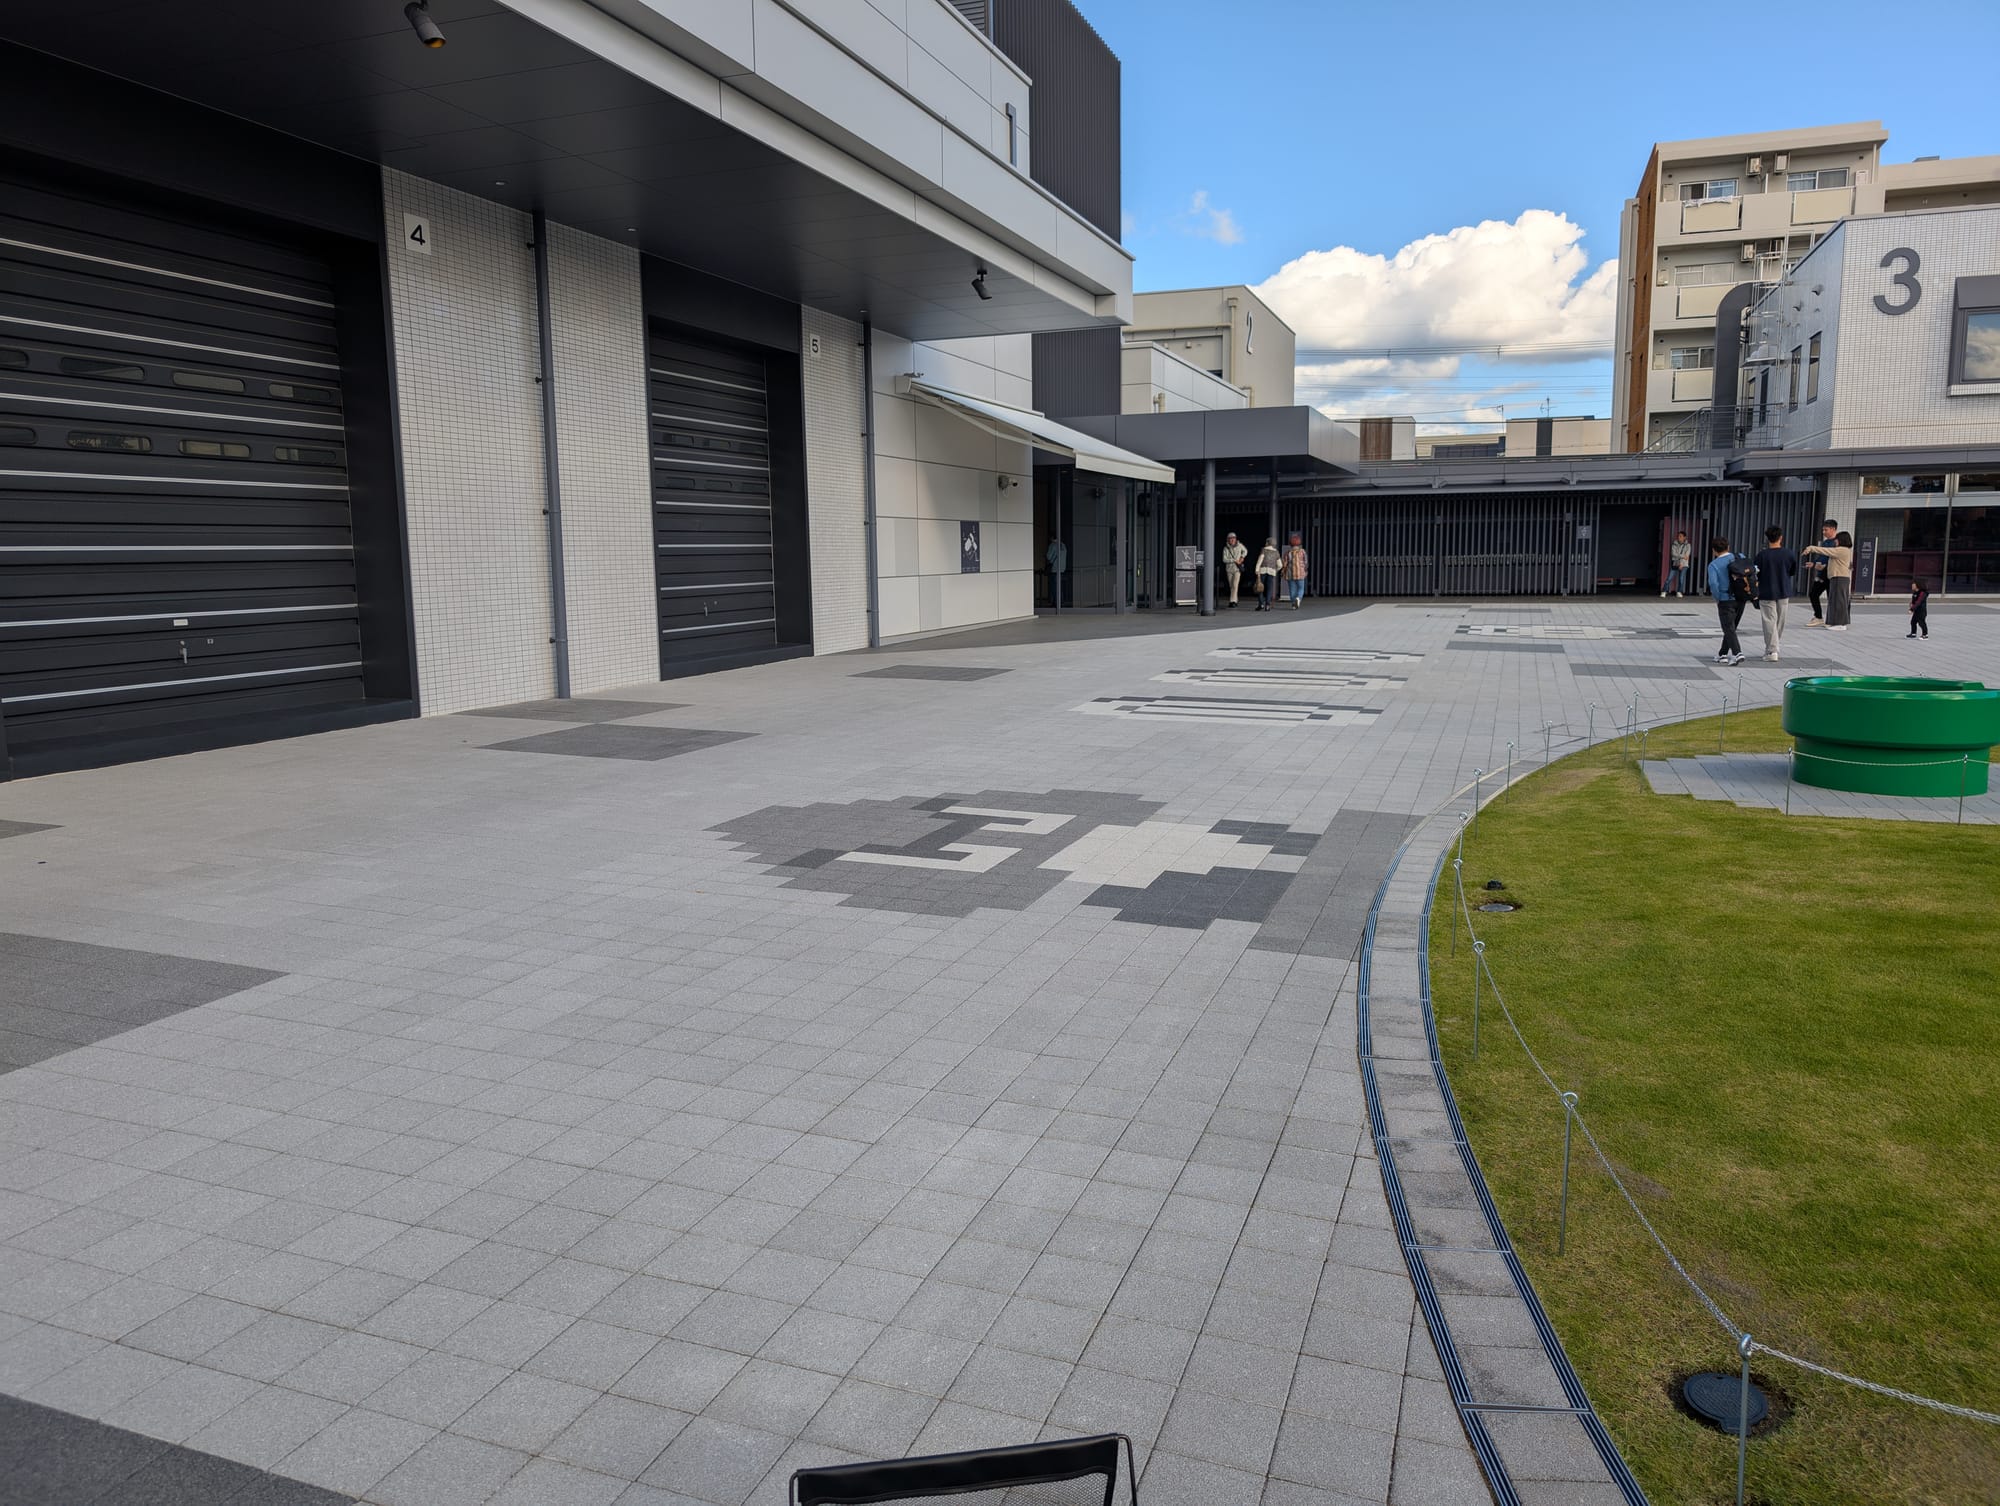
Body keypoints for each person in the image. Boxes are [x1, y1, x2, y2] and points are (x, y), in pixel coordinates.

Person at [1752, 524, 1798, 662]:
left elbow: (1756, 574)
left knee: (1769, 620)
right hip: (1783, 590)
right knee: (1780, 621)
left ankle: (1772, 650)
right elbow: (1792, 571)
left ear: (1767, 539)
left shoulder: (1761, 555)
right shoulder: (1789, 553)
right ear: (1781, 538)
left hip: (1766, 591)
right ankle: (1773, 647)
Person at [1802, 530, 1854, 630]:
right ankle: (1836, 622)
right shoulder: (1843, 550)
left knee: (1838, 601)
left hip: (1839, 578)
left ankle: (1840, 624)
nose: (1835, 542)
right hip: (1837, 578)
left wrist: (1811, 548)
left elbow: (1826, 551)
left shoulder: (1842, 550)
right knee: (1836, 600)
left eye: (1837, 540)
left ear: (1841, 540)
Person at [1706, 535, 1746, 665]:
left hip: (1725, 599)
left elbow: (1713, 584)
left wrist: (1718, 598)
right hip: (1741, 598)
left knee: (1728, 628)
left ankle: (1737, 653)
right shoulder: (1739, 556)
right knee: (1730, 628)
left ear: (1714, 550)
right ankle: (1722, 654)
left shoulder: (1714, 565)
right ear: (1728, 547)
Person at [1805, 518, 1838, 624]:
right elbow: (1821, 556)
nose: (1824, 532)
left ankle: (1833, 619)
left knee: (1831, 597)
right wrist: (1814, 564)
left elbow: (1836, 558)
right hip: (1821, 574)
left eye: (1826, 530)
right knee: (1813, 594)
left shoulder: (1837, 542)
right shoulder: (1825, 542)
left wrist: (1825, 566)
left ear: (1833, 529)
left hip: (1831, 573)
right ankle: (1818, 616)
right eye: (1823, 530)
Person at [1281, 532, 1309, 610]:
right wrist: (1305, 570)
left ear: (1290, 544)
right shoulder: (1302, 552)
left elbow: (1284, 564)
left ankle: (1294, 604)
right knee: (1301, 588)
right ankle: (1298, 599)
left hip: (1290, 574)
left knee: (1292, 590)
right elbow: (1305, 562)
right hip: (1300, 573)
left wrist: (1283, 572)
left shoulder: (1288, 553)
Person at [1220, 532, 1247, 609]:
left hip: (1237, 569)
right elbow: (1224, 559)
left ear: (1235, 539)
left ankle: (1232, 601)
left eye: (1233, 538)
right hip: (1229, 569)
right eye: (1230, 538)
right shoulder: (1226, 548)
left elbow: (1245, 551)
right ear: (1228, 540)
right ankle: (1235, 600)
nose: (1232, 540)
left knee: (1235, 585)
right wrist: (1234, 560)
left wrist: (1242, 557)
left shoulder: (1240, 545)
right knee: (1231, 586)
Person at [1662, 531, 1692, 598]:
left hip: (1684, 564)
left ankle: (1679, 592)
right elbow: (1673, 554)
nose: (1679, 537)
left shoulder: (1688, 545)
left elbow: (1687, 556)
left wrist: (1681, 563)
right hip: (1675, 563)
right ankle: (1664, 591)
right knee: (1669, 578)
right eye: (1678, 536)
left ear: (1684, 537)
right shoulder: (1674, 544)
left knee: (1681, 579)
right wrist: (1682, 556)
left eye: (1680, 536)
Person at [1254, 538, 1281, 611]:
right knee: (1269, 588)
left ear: (1267, 543)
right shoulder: (1276, 552)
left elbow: (1260, 560)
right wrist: (1275, 570)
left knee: (1259, 587)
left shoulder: (1264, 550)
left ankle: (1261, 604)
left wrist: (1256, 570)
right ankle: (1268, 605)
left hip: (1262, 570)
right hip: (1271, 572)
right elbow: (1280, 565)